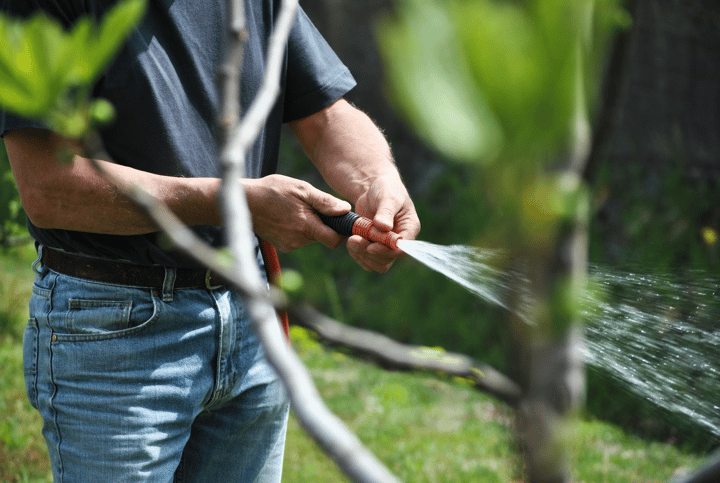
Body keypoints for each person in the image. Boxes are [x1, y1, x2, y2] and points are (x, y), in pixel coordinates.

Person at [0, 1, 420, 482]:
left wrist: (377, 182)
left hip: (249, 310)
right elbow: (48, 189)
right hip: (114, 331)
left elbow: (325, 114)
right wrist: (232, 201)